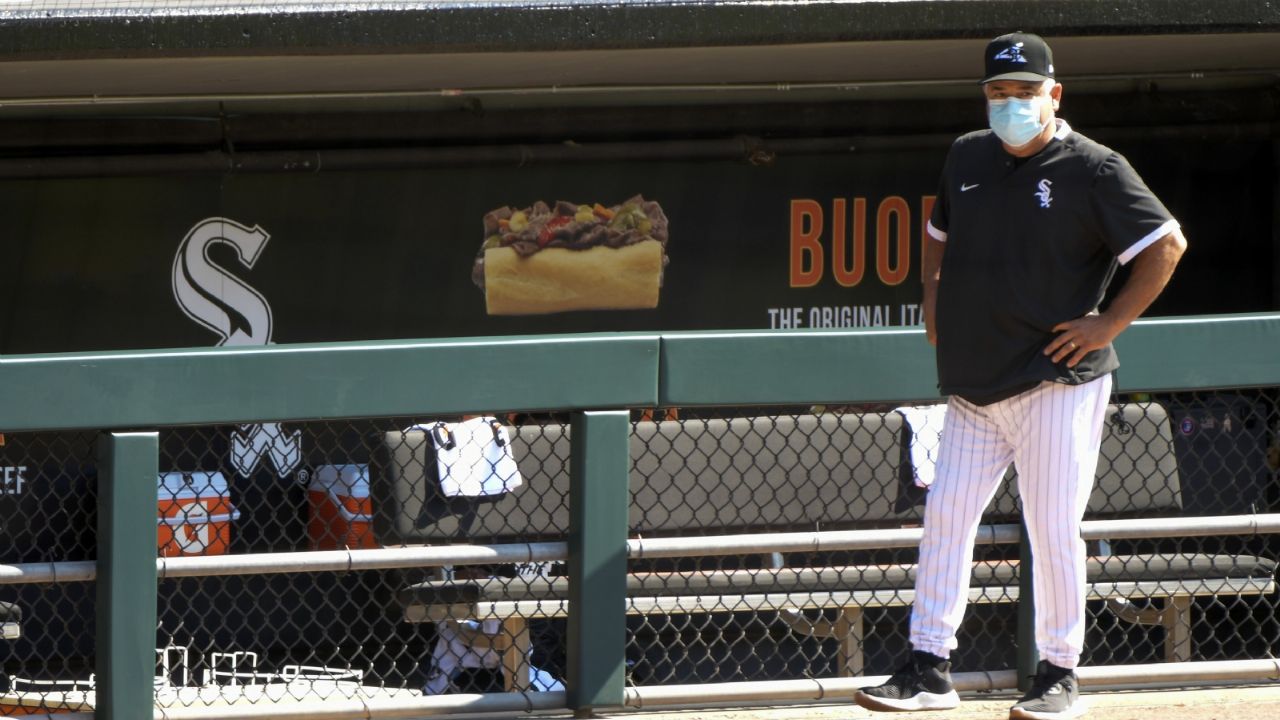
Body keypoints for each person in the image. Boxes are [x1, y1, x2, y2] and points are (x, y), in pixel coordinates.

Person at [853, 31, 1186, 720]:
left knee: (1052, 527)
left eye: (1025, 92)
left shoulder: (1095, 167)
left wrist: (1108, 324)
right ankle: (929, 669)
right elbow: (939, 232)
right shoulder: (968, 154)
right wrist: (930, 292)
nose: (1010, 104)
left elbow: (1166, 245)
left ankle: (1059, 673)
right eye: (999, 93)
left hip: (1055, 381)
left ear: (1053, 95)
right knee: (945, 520)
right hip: (975, 387)